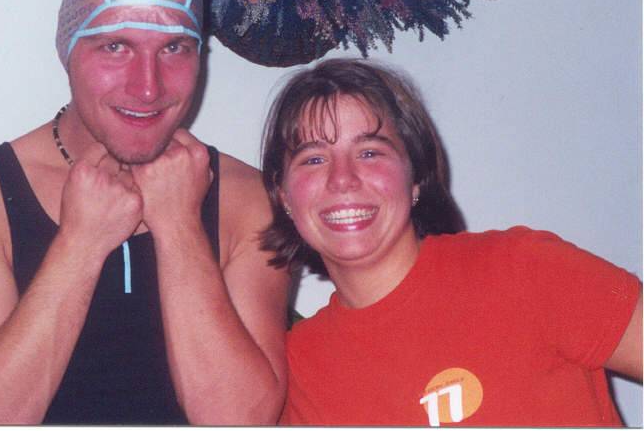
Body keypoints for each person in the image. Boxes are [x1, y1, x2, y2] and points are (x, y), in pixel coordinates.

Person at [0, 0, 289, 425]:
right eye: (115, 47)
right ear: (69, 50)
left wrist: (180, 225)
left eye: (174, 48)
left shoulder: (247, 199)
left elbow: (239, 421)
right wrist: (81, 242)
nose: (147, 87)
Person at [260, 58, 642, 426]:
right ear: (283, 194)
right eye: (313, 159)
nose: (342, 179)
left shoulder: (523, 268)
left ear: (415, 179)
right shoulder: (299, 372)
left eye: (370, 152)